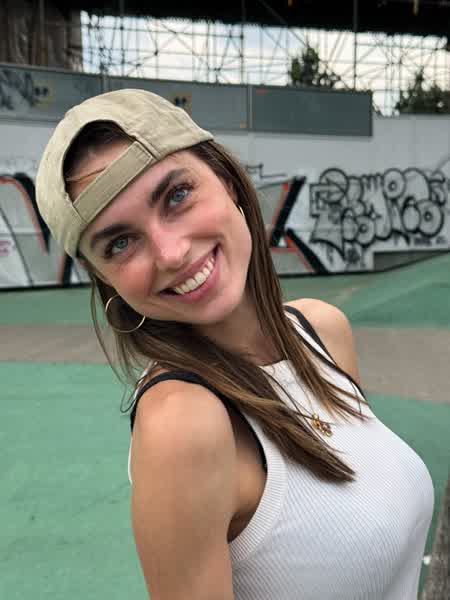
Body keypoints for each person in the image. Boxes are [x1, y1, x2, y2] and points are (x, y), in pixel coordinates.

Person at [36, 89, 434, 600]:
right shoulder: (182, 424)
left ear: (225, 179)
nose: (171, 253)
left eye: (176, 195)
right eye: (120, 242)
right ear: (105, 278)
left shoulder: (322, 330)